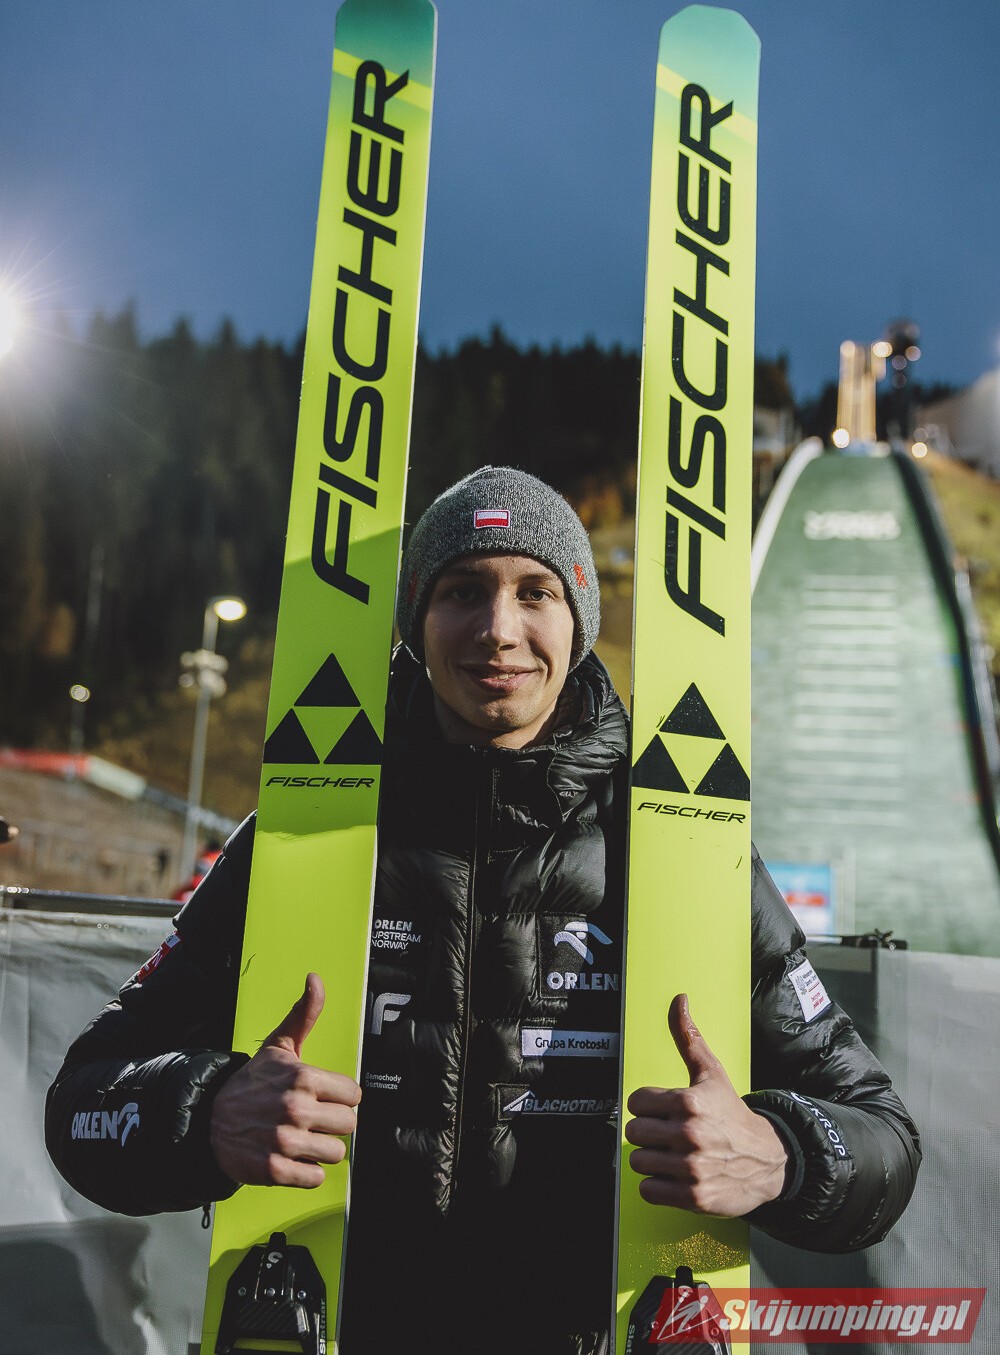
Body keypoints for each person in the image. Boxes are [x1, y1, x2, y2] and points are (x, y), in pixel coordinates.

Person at [46, 467, 920, 1355]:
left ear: (579, 622)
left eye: (535, 592)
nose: (498, 629)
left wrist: (779, 1154)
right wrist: (206, 1112)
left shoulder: (680, 845)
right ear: (416, 621)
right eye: (462, 591)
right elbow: (81, 1108)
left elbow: (884, 1141)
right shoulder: (302, 833)